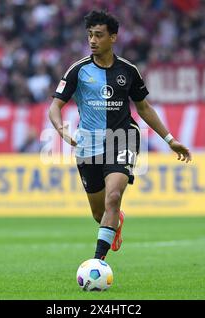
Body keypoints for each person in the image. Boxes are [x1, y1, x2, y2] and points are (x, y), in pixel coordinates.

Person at [48, 10, 191, 261]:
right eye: (90, 35)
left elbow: (144, 108)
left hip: (122, 138)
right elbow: (55, 107)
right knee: (99, 212)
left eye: (99, 35)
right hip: (88, 144)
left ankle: (97, 263)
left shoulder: (129, 71)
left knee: (113, 197)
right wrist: (61, 129)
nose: (92, 40)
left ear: (113, 37)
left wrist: (170, 140)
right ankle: (116, 221)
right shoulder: (78, 70)